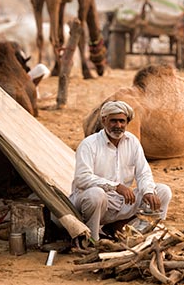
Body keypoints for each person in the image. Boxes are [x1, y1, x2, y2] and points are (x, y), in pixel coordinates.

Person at [69, 101, 172, 242]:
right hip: (93, 203)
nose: (118, 125)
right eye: (113, 121)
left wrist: (148, 191)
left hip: (121, 202)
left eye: (122, 121)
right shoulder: (89, 144)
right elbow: (82, 178)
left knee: (163, 191)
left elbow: (143, 172)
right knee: (96, 194)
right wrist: (115, 186)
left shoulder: (132, 142)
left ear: (127, 122)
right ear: (104, 120)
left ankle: (140, 236)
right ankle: (92, 240)